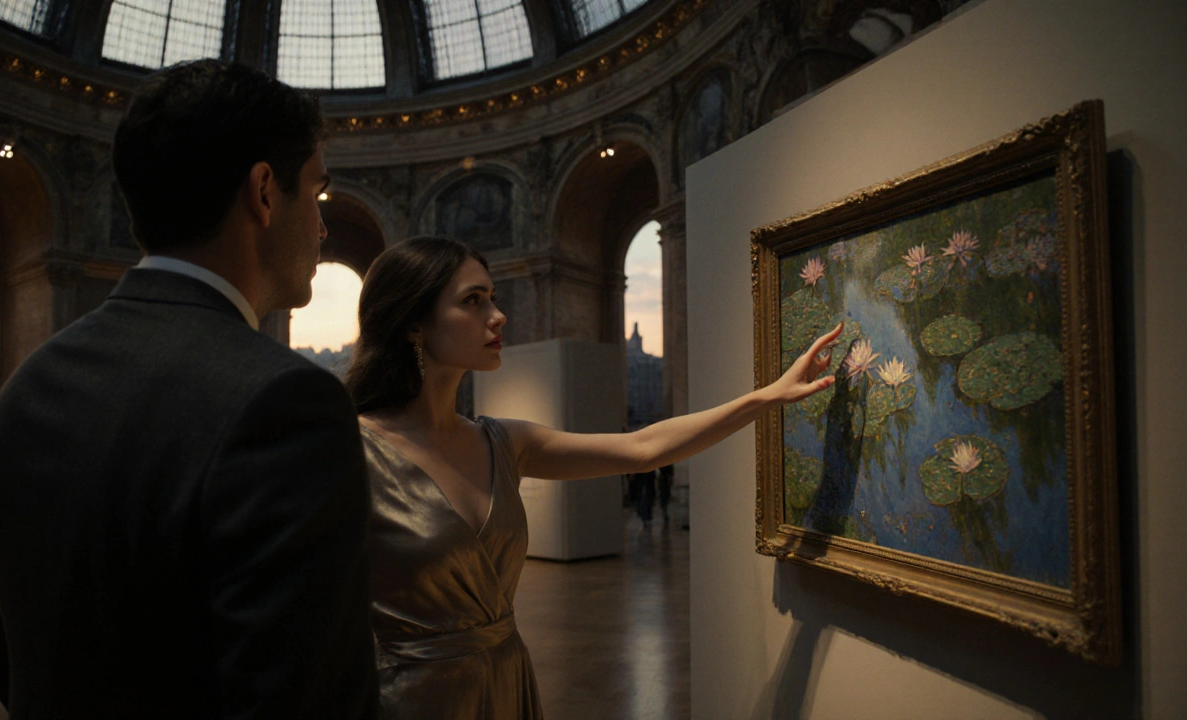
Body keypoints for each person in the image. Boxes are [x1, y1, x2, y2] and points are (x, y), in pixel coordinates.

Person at [0, 60, 378, 719]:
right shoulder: (287, 404)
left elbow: (9, 664)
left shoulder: (26, 387)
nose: (323, 226)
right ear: (265, 192)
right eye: (318, 194)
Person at [345, 236, 841, 719]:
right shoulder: (350, 450)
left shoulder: (503, 442)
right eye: (473, 301)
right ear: (413, 323)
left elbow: (642, 448)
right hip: (408, 699)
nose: (497, 316)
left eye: (492, 298)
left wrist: (767, 396)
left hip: (505, 683)